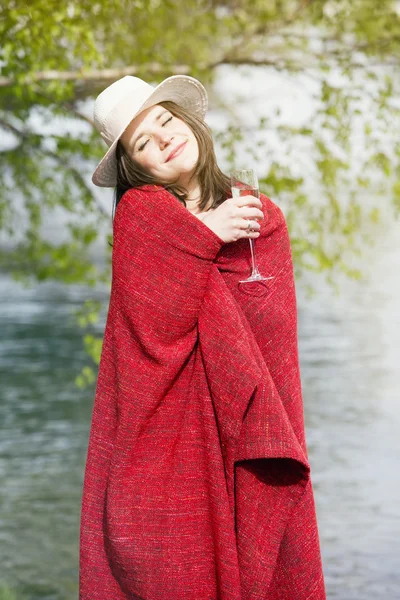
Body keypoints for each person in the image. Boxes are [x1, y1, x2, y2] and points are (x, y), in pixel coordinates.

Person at [79, 74, 326, 599]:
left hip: (249, 430)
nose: (164, 138)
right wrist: (207, 234)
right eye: (144, 141)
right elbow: (151, 334)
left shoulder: (262, 217)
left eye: (166, 120)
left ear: (188, 121)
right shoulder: (142, 216)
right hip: (171, 451)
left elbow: (274, 349)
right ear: (135, 166)